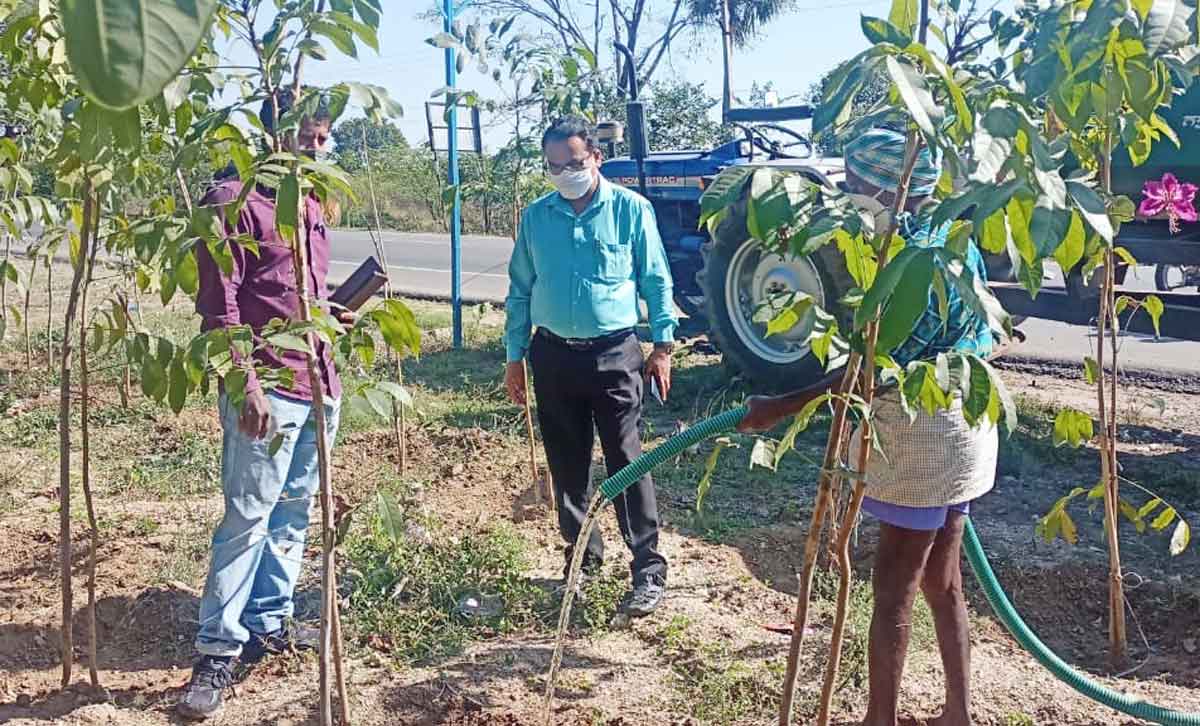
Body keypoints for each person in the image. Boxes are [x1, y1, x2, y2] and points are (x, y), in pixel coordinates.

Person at [738, 129, 997, 726]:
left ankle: (879, 720)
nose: (849, 192)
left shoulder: (899, 263)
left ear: (890, 186)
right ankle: (958, 713)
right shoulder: (955, 243)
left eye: (856, 182)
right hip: (968, 428)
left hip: (919, 435)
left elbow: (869, 375)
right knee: (944, 580)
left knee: (893, 595)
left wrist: (779, 406)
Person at [178, 90, 348, 721]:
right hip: (268, 389)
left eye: (324, 137)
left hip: (319, 382)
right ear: (271, 134)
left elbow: (304, 292)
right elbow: (219, 308)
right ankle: (216, 649)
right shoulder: (230, 201)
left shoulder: (311, 200)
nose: (318, 146)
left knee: (295, 513)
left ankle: (268, 621)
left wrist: (333, 321)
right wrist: (244, 386)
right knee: (248, 515)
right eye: (308, 134)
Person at [503, 116, 677, 617]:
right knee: (567, 463)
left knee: (628, 459)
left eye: (574, 164)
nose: (565, 174)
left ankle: (647, 568)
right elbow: (519, 289)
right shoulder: (537, 218)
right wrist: (515, 357)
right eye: (554, 167)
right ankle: (581, 562)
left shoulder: (629, 210)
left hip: (614, 354)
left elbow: (655, 279)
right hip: (552, 354)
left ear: (596, 157)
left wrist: (662, 346)